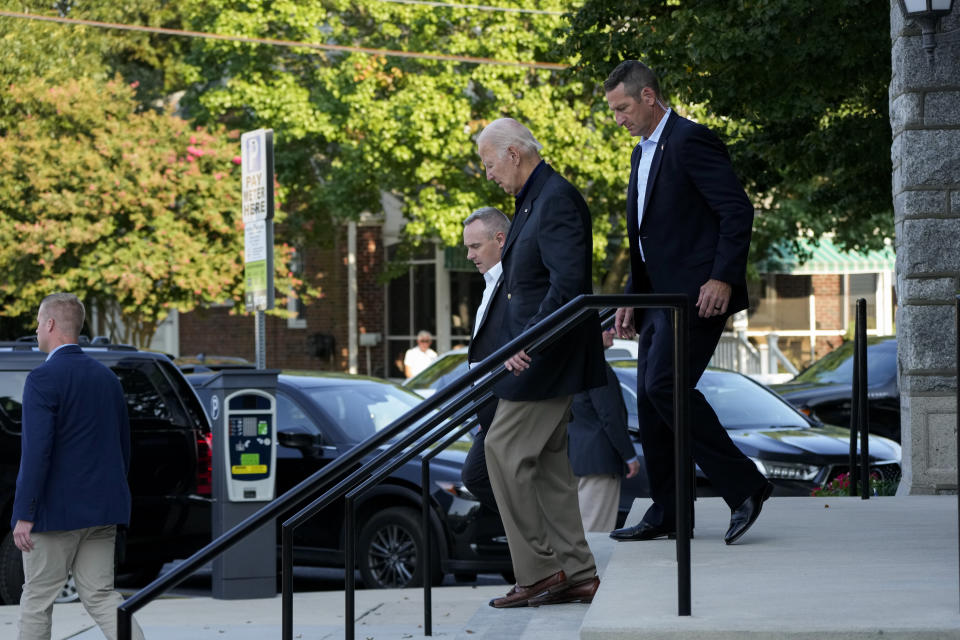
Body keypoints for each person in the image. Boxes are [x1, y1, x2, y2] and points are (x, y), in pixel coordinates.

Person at [603, 60, 773, 546]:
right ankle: (669, 511)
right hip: (657, 298)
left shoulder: (691, 140)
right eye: (613, 110)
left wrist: (722, 276)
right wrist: (632, 298)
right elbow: (644, 234)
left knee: (666, 386)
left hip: (698, 297)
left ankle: (745, 485)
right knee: (653, 403)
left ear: (649, 96)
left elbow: (736, 209)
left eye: (623, 108)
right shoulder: (642, 153)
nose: (618, 118)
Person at [476, 118, 606, 608]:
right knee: (549, 466)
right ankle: (578, 572)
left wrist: (529, 342)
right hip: (543, 353)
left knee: (501, 449)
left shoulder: (555, 198)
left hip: (546, 356)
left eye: (489, 163)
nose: (488, 174)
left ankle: (538, 570)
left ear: (513, 153)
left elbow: (567, 284)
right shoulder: (535, 197)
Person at [12, 293, 144, 640]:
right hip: (103, 511)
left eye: (39, 323)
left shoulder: (42, 379)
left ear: (51, 324)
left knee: (37, 599)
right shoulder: (107, 379)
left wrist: (25, 513)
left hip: (54, 515)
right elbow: (122, 447)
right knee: (101, 596)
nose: (37, 330)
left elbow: (36, 451)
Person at [460, 206, 510, 515]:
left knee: (476, 475)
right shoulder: (491, 283)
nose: (469, 255)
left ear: (500, 239)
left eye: (475, 246)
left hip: (505, 401)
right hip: (488, 407)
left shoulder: (512, 283)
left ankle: (535, 540)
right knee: (477, 476)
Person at [568, 328, 641, 532]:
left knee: (583, 525)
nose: (612, 331)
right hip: (600, 462)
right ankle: (590, 566)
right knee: (595, 529)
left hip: (578, 458)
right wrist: (629, 456)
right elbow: (610, 416)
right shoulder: (597, 368)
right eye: (604, 328)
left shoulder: (574, 367)